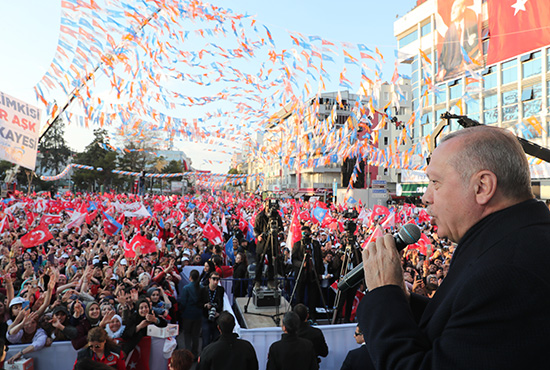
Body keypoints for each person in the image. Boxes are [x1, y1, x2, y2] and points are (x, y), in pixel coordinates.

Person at [358, 125, 550, 369]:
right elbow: (467, 329)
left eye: (435, 182)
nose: (426, 197)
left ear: (482, 187)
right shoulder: (510, 242)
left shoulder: (507, 271)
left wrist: (384, 296)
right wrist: (401, 300)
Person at [291, 226, 324, 321]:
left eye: (306, 233)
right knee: (299, 296)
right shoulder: (297, 244)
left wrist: (320, 272)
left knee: (313, 297)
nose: (305, 235)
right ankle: (298, 317)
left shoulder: (316, 244)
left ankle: (312, 317)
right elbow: (294, 260)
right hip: (301, 274)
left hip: (313, 274)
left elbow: (319, 259)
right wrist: (302, 264)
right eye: (303, 233)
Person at [253, 199, 283, 290]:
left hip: (272, 242)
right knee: (260, 262)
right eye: (267, 206)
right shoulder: (260, 216)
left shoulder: (277, 216)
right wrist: (258, 236)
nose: (269, 208)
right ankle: (257, 282)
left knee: (272, 263)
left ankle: (271, 281)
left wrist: (280, 233)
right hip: (262, 242)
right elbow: (255, 229)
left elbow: (281, 227)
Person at [178, 269, 202, 358]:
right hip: (198, 315)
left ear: (190, 277)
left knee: (187, 334)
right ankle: (195, 353)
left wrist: (181, 310)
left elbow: (183, 302)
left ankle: (188, 353)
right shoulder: (202, 287)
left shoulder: (186, 288)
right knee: (196, 335)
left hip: (187, 314)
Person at [198, 271, 224, 348]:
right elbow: (198, 304)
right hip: (206, 317)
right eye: (214, 279)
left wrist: (218, 314)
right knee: (206, 340)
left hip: (216, 318)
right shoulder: (203, 290)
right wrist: (205, 305)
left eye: (217, 279)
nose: (216, 281)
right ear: (209, 279)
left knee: (216, 339)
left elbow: (221, 304)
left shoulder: (220, 290)